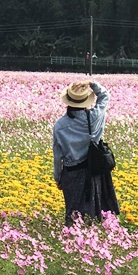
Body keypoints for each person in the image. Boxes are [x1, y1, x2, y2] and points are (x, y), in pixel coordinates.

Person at [53, 79, 120, 227]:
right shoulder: (95, 116)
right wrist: (92, 83)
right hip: (93, 170)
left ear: (68, 101)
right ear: (86, 100)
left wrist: (58, 178)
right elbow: (104, 96)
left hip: (71, 173)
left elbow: (58, 156)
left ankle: (71, 238)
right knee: (94, 211)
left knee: (73, 212)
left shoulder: (59, 125)